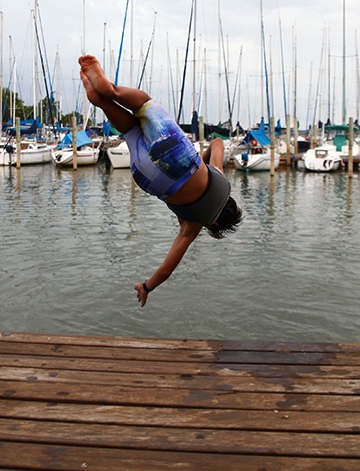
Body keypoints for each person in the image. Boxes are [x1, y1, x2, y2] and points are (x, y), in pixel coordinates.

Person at [78, 55, 243, 307]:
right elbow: (167, 269)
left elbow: (218, 142)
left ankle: (109, 89)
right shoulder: (192, 226)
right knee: (131, 129)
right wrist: (146, 287)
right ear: (215, 222)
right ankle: (98, 99)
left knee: (143, 104)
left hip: (179, 157)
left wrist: (205, 162)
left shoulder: (219, 177)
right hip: (147, 176)